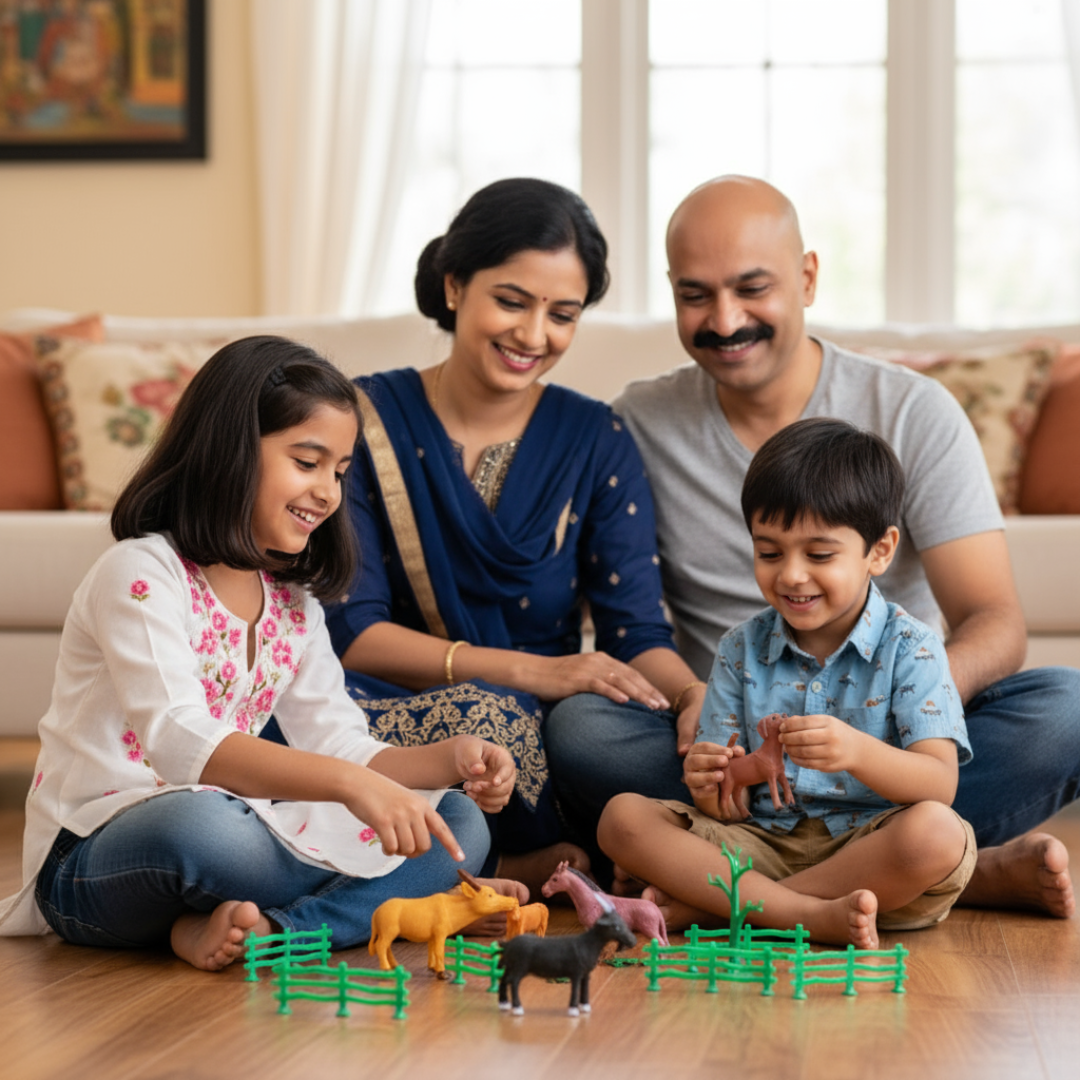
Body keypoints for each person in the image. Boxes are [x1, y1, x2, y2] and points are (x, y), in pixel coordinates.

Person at [547, 175, 1076, 917]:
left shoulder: (912, 411)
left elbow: (994, 619)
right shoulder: (638, 423)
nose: (724, 319)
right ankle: (948, 874)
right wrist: (699, 710)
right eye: (694, 294)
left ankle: (737, 897)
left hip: (897, 745)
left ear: (807, 278)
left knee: (1064, 709)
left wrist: (895, 721)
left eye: (751, 288)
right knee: (582, 729)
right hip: (737, 750)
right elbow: (631, 620)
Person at [0, 335, 517, 971]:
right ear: (231, 451)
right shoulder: (138, 573)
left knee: (459, 824)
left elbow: (339, 744)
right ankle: (360, 905)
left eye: (340, 471)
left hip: (240, 831)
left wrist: (446, 763)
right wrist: (355, 789)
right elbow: (179, 740)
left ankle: (277, 931)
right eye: (307, 462)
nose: (328, 492)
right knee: (204, 829)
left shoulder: (294, 603)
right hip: (98, 855)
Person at [323, 178, 704, 898]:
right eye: (511, 301)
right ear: (454, 284)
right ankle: (506, 859)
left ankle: (469, 857)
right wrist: (533, 671)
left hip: (552, 722)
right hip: (388, 698)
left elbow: (635, 630)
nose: (534, 336)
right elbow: (352, 632)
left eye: (562, 314)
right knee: (308, 720)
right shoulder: (363, 419)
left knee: (590, 733)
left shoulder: (595, 437)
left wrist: (693, 698)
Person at [600, 418, 976, 947]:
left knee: (936, 834)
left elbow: (940, 784)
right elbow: (725, 811)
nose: (792, 575)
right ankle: (801, 914)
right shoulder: (740, 647)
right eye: (769, 552)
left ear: (880, 550)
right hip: (762, 843)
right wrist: (712, 783)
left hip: (869, 853)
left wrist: (857, 752)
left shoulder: (910, 645)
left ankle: (723, 909)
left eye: (819, 555)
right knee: (622, 820)